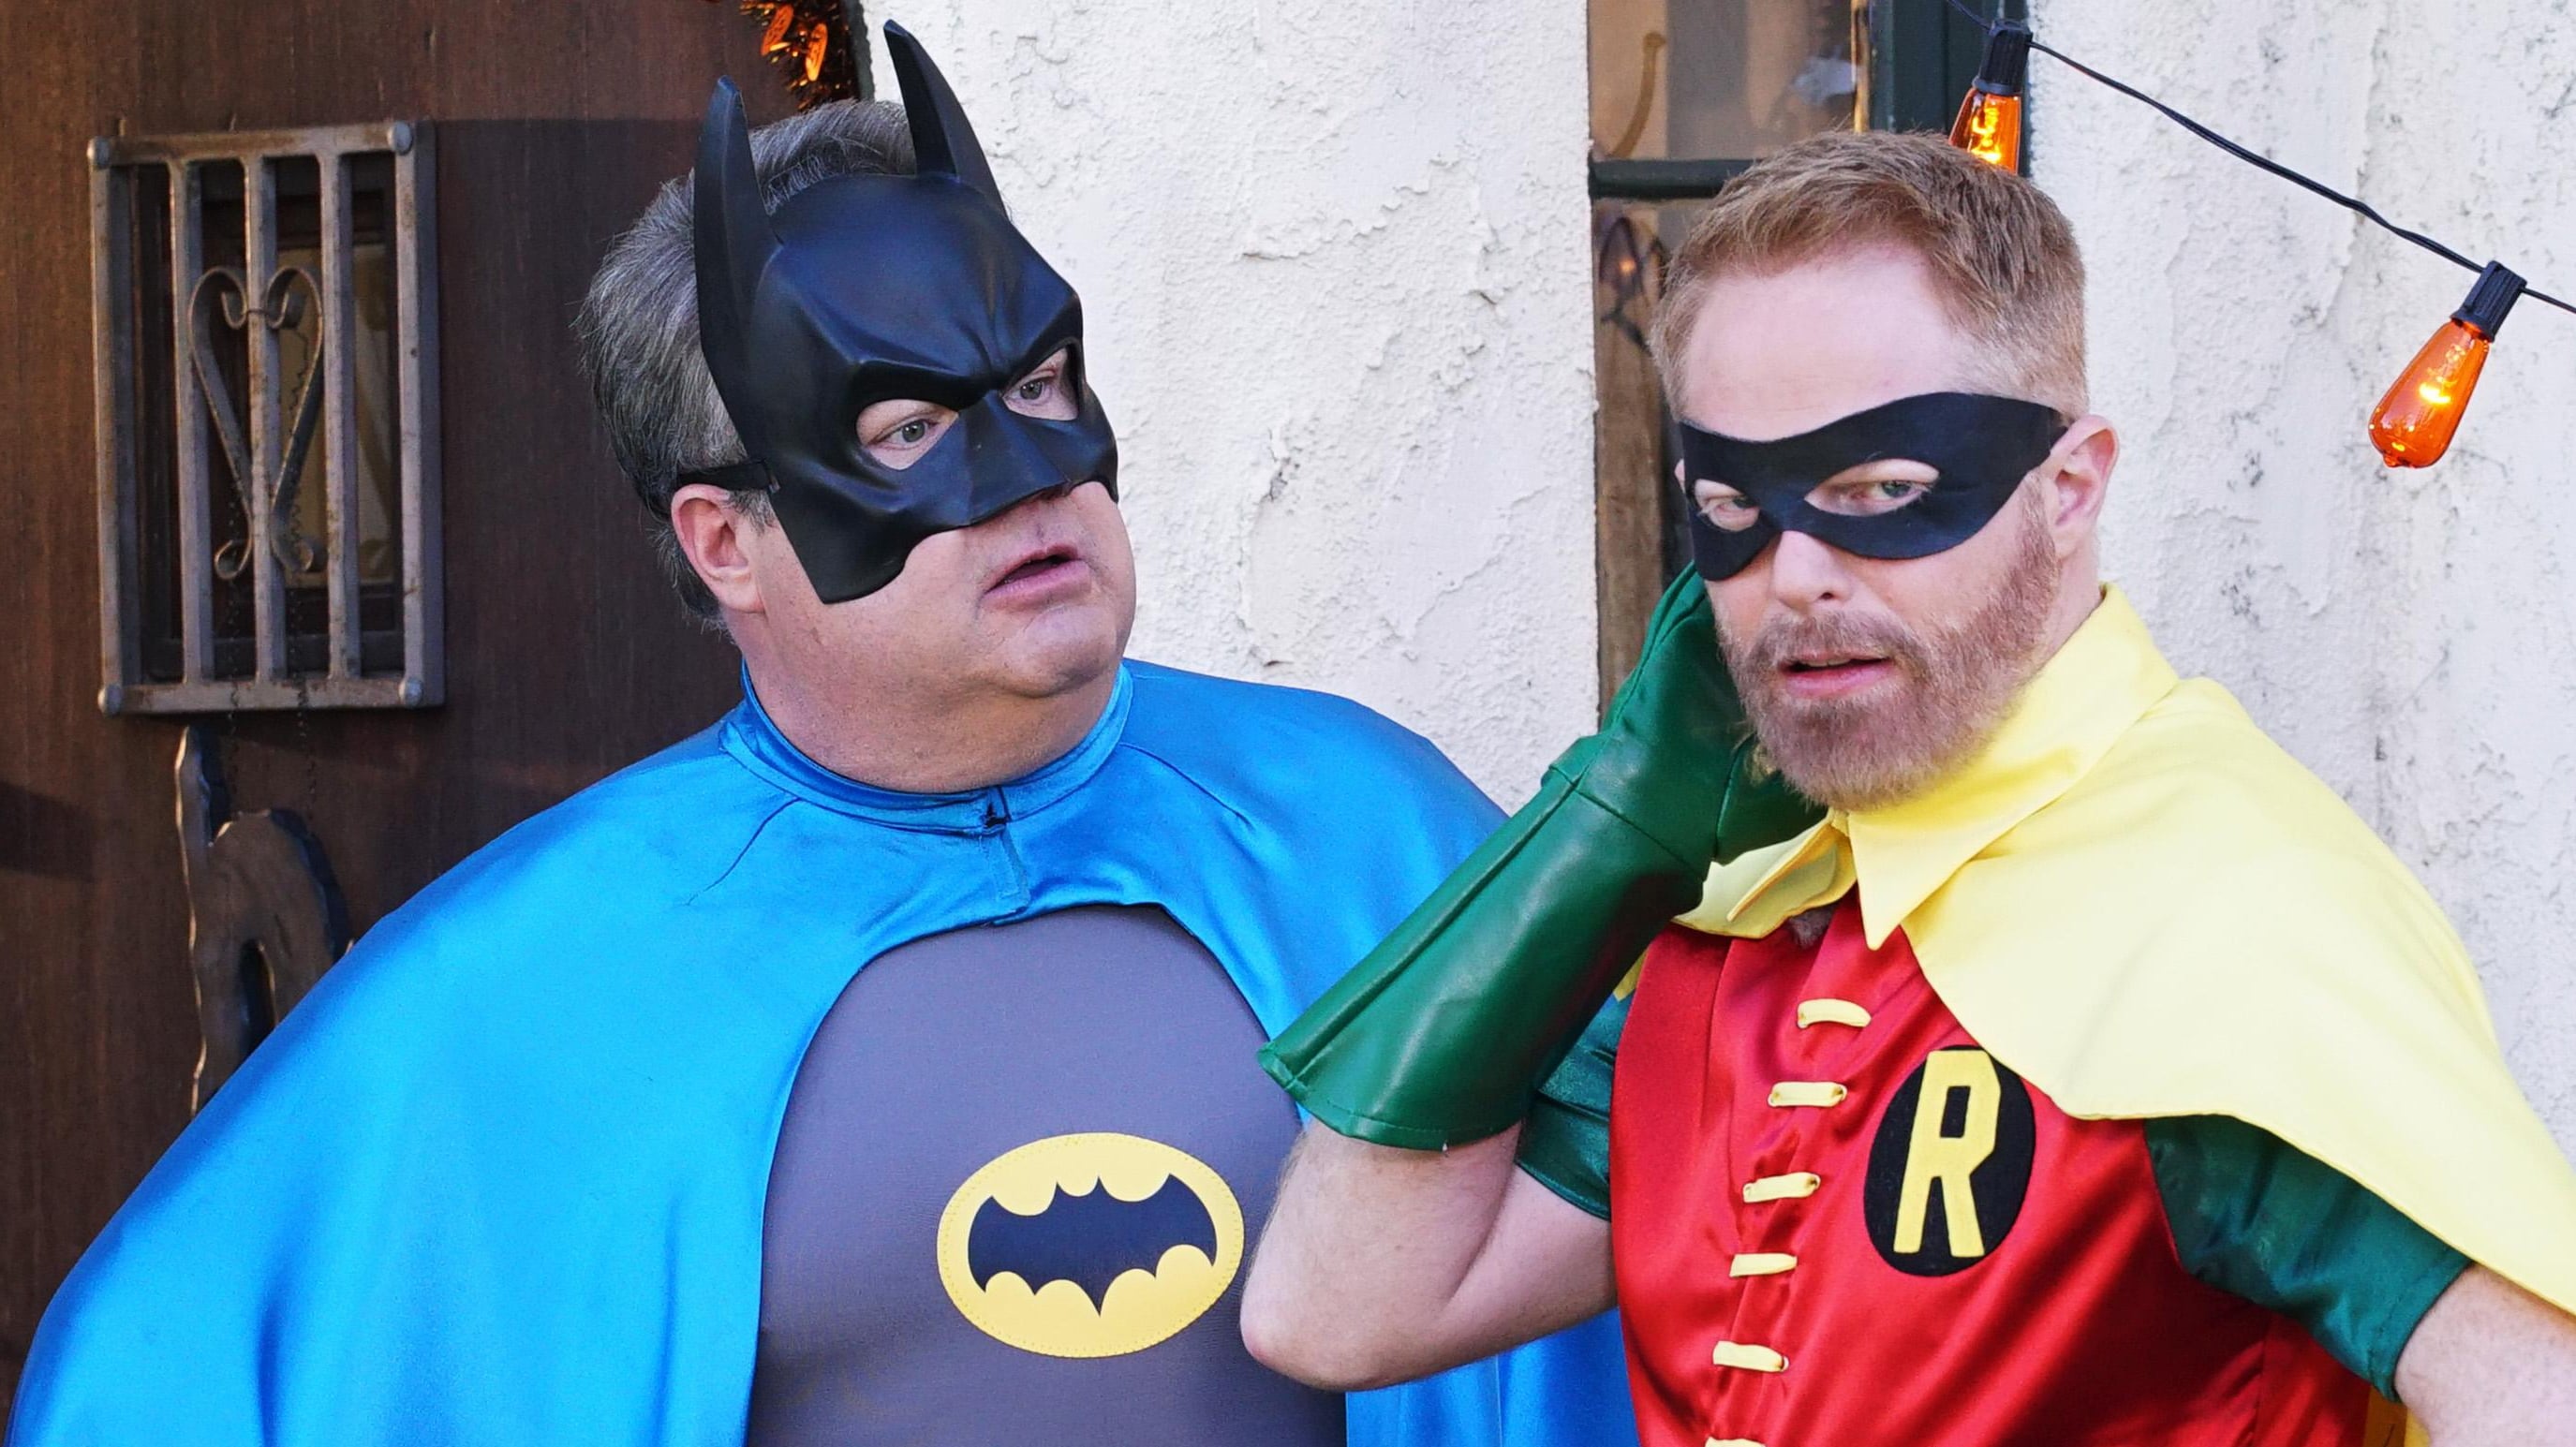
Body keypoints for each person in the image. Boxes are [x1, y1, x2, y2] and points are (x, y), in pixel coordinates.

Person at [7, 25, 1636, 1446]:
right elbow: (159, 1372)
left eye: (1043, 384)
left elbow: (1708, 1240)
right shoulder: (537, 973)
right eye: (908, 427)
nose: (1030, 479)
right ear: (724, 539)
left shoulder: (1366, 830)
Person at [1241, 131, 2576, 1446]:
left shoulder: (2230, 918)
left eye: (1881, 488)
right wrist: (1613, 821)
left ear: (2069, 488)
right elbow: (1335, 1312)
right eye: (1733, 508)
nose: (1798, 577)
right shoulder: (1747, 913)